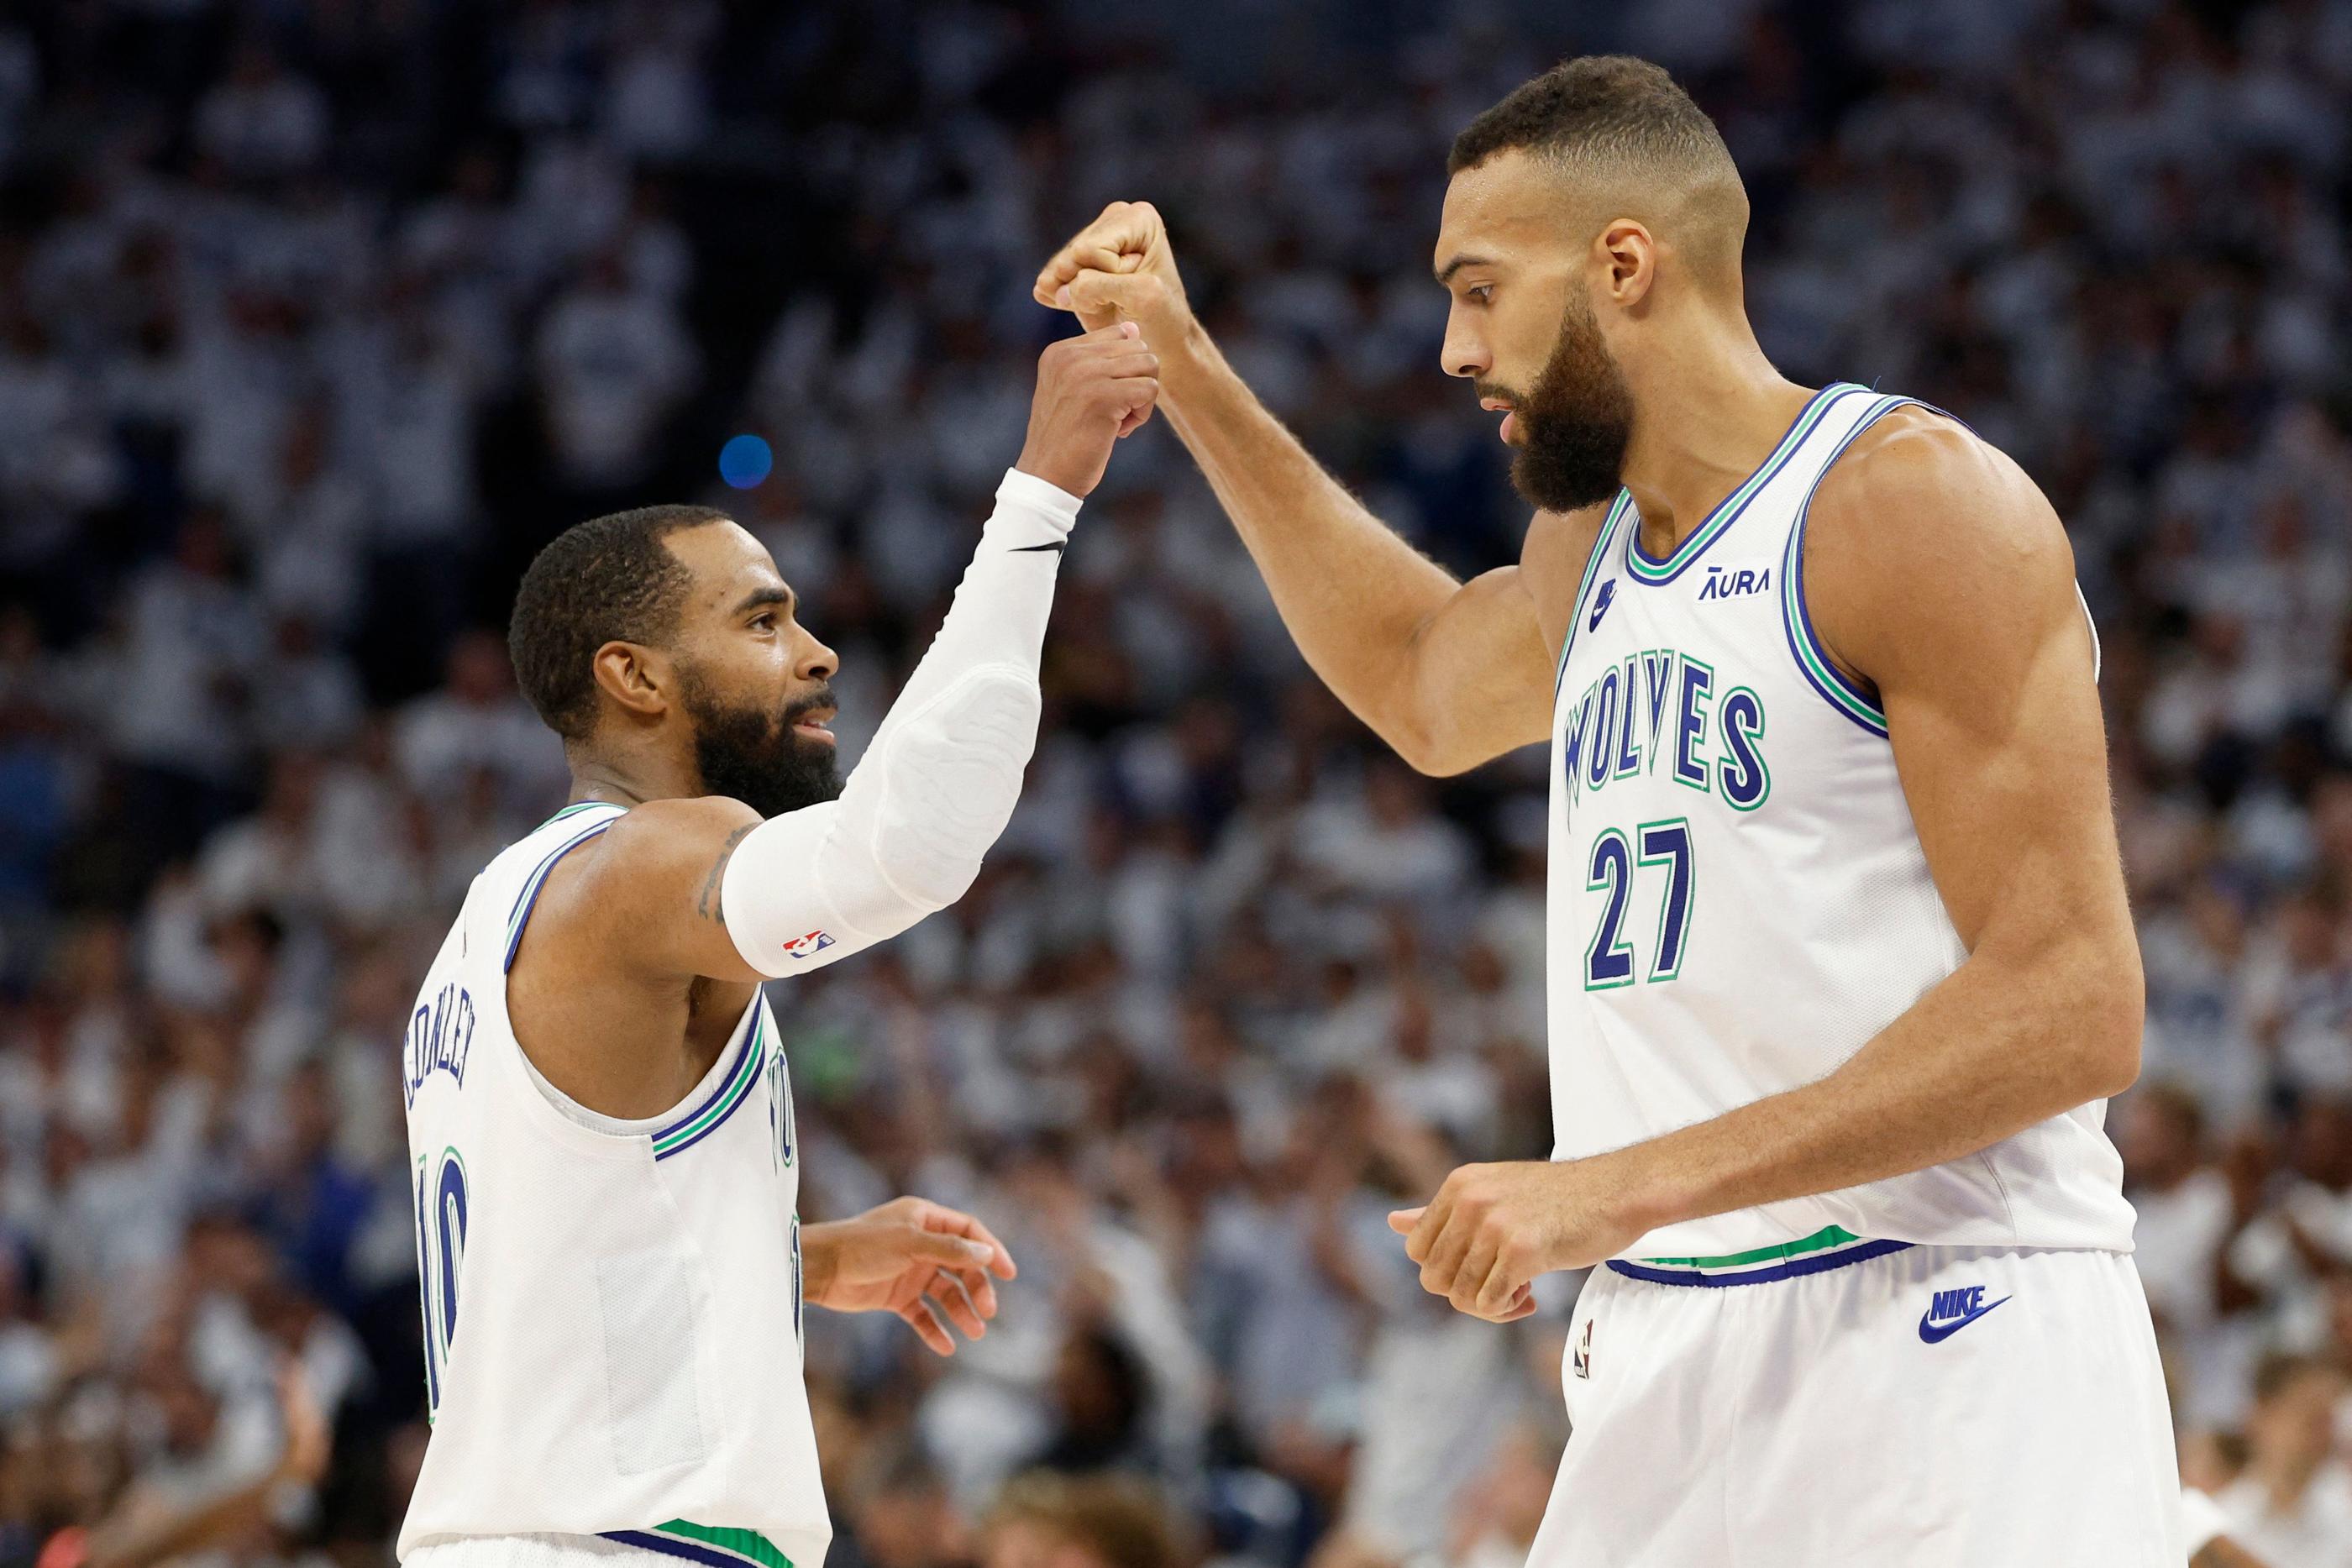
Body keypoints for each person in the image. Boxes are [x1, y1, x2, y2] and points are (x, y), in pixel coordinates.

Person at [1037, 55, 2179, 1565]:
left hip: (1946, 1320)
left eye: (1479, 289)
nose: (1453, 349)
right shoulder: (1590, 551)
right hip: (1667, 1339)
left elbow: (2074, 1002)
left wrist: (1613, 1188)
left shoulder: (1907, 503)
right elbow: (1417, 680)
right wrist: (1182, 364)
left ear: (1623, 268)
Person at [396, 323, 1162, 1567]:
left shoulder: (492, 919)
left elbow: (548, 1263)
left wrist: (790, 1256)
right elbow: (902, 849)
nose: (816, 654)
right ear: (634, 678)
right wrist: (1043, 492)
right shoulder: (647, 858)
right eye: (762, 623)